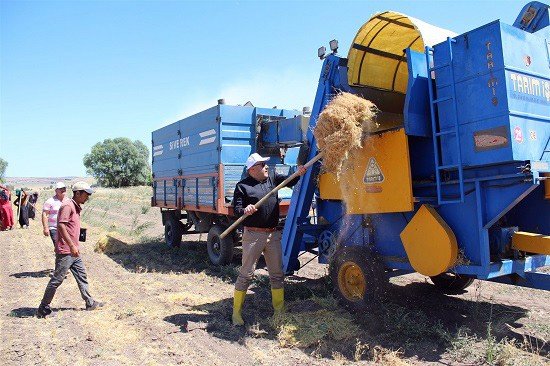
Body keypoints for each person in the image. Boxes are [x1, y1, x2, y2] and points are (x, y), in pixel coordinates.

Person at [231, 153, 306, 326]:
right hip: (253, 236)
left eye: (265, 164)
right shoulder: (242, 187)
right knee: (246, 274)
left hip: (273, 235)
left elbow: (291, 179)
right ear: (252, 170)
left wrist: (299, 172)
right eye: (262, 164)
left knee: (277, 274)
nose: (266, 166)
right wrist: (245, 210)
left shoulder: (272, 178)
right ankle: (236, 313)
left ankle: (279, 312)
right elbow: (237, 209)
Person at [37, 181, 103, 318]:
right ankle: (43, 308)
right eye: (86, 194)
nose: (88, 197)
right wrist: (72, 245)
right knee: (57, 279)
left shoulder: (75, 205)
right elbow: (61, 226)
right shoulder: (67, 206)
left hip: (73, 251)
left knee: (81, 275)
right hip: (66, 250)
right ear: (77, 193)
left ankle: (89, 302)